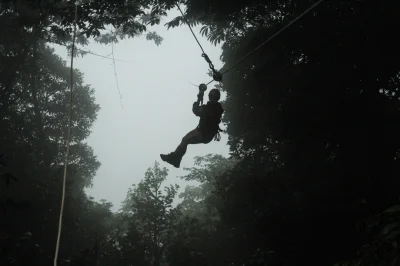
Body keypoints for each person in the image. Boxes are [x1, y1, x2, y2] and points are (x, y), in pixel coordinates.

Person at [160, 88, 224, 168]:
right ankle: (176, 159)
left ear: (211, 97)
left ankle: (175, 159)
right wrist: (200, 97)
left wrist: (199, 98)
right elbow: (201, 111)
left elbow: (196, 110)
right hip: (204, 131)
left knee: (185, 140)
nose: (210, 98)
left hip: (204, 133)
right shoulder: (216, 108)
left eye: (211, 96)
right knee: (184, 140)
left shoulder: (209, 108)